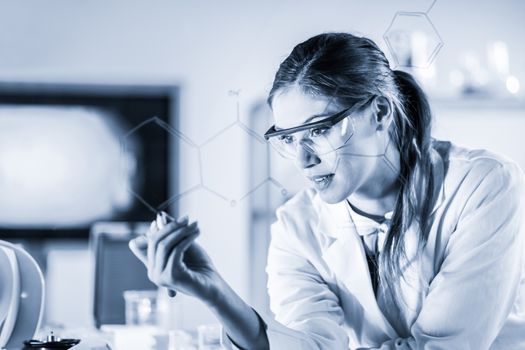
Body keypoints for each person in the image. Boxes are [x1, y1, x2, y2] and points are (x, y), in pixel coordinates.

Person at [129, 32, 525, 349]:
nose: (302, 160)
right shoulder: (297, 225)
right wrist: (214, 291)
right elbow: (310, 344)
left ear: (381, 112)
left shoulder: (483, 185)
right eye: (287, 137)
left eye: (319, 130)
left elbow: (445, 347)